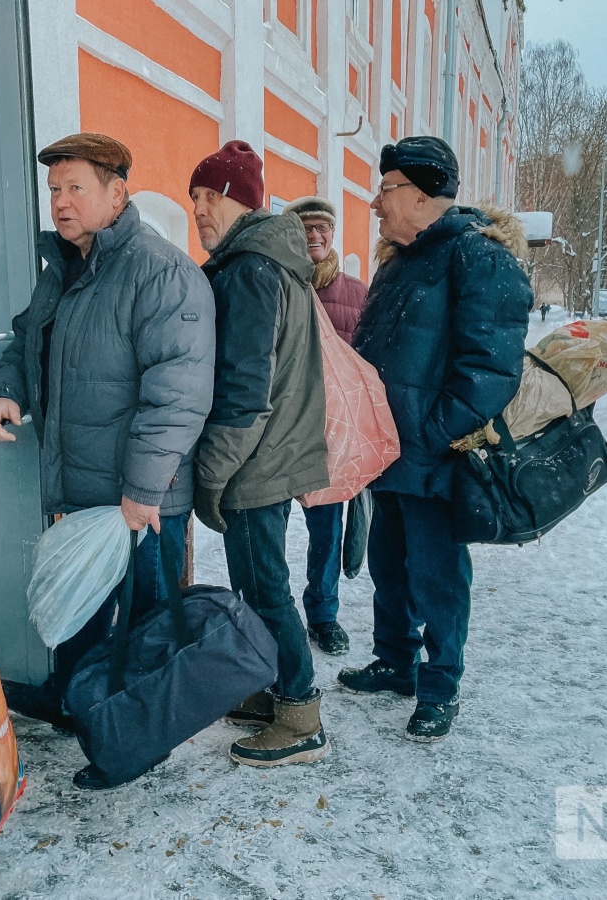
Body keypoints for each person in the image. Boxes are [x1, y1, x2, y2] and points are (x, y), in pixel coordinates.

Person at [0, 132, 215, 789]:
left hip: (142, 501)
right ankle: (68, 700)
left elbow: (179, 392)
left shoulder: (160, 271)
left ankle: (136, 743)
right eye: (54, 190)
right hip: (83, 491)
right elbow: (29, 340)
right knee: (78, 610)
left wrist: (144, 489)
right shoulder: (67, 269)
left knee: (140, 632)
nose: (59, 201)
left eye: (75, 188)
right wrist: (5, 390)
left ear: (117, 194)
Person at [338, 136, 532, 742]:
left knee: (437, 574)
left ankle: (440, 682)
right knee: (389, 564)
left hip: (436, 453)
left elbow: (492, 367)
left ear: (422, 195)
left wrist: (433, 432)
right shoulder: (401, 259)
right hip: (390, 450)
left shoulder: (480, 257)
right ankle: (397, 660)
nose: (376, 203)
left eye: (386, 189)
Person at [188, 141, 331, 767]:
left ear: (239, 200)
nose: (197, 211)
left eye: (207, 198)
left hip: (258, 458)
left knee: (266, 588)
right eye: (193, 199)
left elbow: (245, 392)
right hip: (275, 452)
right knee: (254, 584)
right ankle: (272, 688)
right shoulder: (270, 263)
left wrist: (212, 476)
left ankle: (300, 714)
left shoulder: (250, 269)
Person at [279, 196, 369, 657]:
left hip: (331, 433)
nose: (315, 235)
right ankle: (270, 612)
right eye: (306, 227)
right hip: (278, 430)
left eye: (322, 228)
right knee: (268, 528)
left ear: (333, 234)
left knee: (327, 532)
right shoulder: (277, 281)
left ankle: (323, 614)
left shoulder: (356, 294)